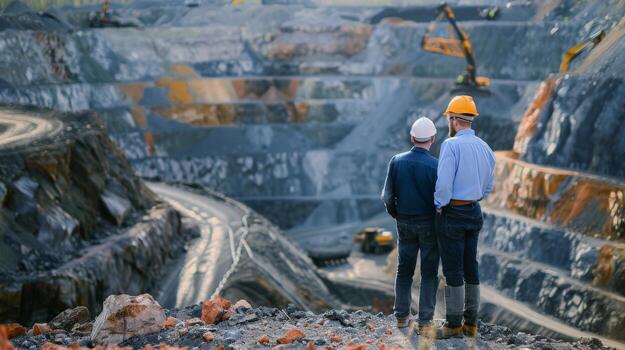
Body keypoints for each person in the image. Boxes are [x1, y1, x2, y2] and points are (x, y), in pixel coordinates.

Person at [433, 95, 496, 339]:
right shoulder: (485, 147)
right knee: (471, 267)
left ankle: (452, 325)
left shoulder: (451, 145)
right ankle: (471, 324)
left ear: (453, 119)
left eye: (448, 118)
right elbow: (489, 185)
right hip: (474, 211)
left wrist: (440, 204)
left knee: (453, 270)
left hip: (454, 212)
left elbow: (444, 184)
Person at [381, 116, 440, 332]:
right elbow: (441, 198)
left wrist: (396, 214)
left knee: (404, 270)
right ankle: (425, 321)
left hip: (404, 222)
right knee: (429, 272)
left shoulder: (396, 161)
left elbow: (387, 196)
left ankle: (401, 317)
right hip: (429, 226)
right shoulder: (436, 166)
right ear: (432, 138)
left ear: (412, 137)